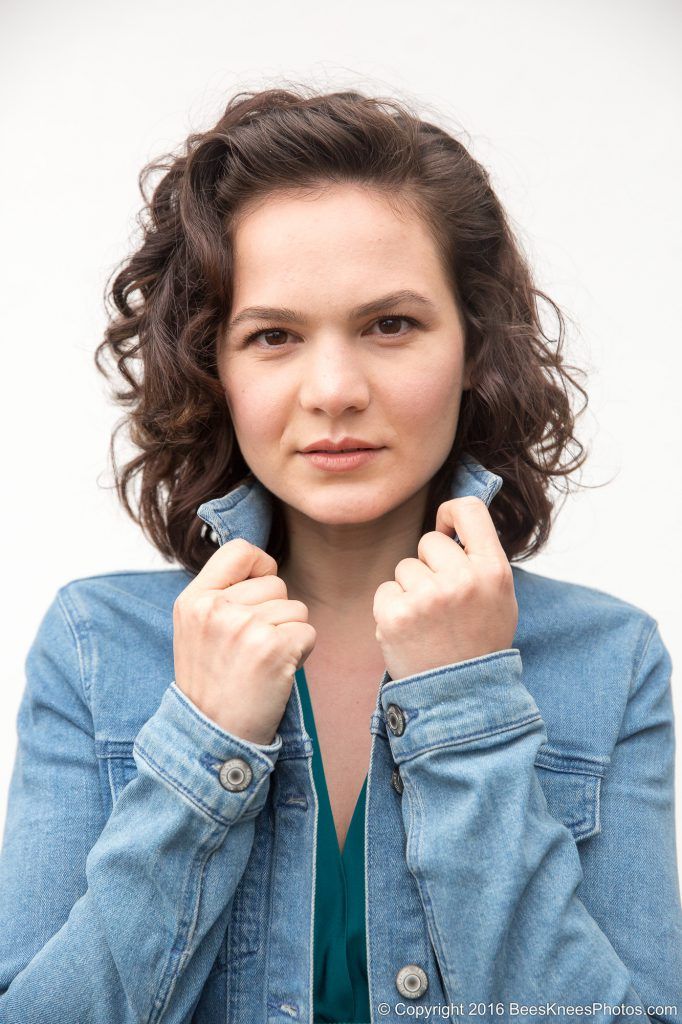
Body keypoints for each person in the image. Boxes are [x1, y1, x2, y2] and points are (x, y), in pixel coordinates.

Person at [0, 86, 679, 1024]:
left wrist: (466, 706)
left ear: (475, 346)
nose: (334, 390)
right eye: (273, 336)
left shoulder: (611, 661)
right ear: (214, 366)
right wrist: (203, 743)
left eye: (389, 325)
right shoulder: (93, 644)